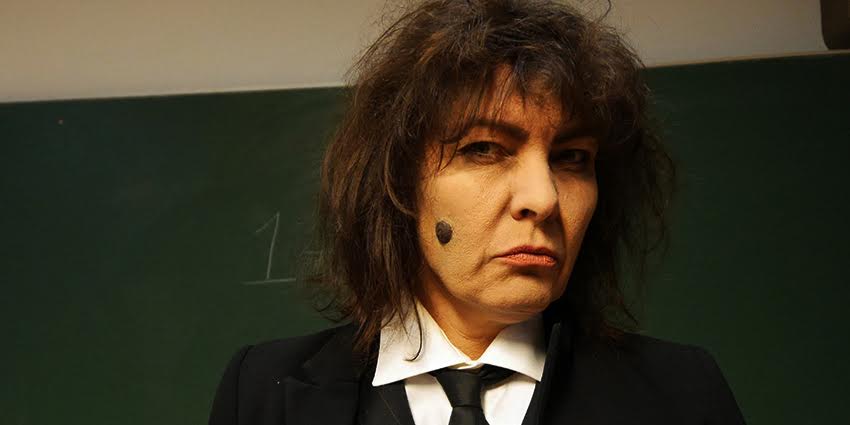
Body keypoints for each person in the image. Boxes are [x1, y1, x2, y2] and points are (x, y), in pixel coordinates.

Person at [209, 1, 746, 424]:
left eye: (572, 158)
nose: (543, 199)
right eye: (484, 149)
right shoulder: (264, 393)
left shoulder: (681, 394)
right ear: (398, 181)